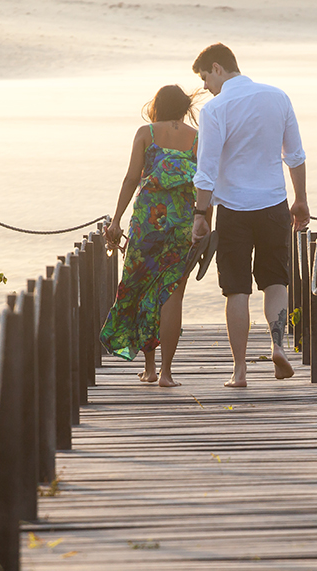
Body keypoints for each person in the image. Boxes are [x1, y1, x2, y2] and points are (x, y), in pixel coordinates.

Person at [189, 43, 309, 388]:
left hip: (233, 210)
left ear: (217, 68)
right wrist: (300, 199)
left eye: (205, 77)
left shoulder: (216, 109)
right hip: (273, 205)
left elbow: (206, 169)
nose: (206, 86)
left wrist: (201, 213)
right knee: (276, 281)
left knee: (236, 290)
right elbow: (295, 155)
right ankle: (277, 346)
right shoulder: (277, 97)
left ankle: (239, 371)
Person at [101, 85, 199, 388]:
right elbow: (206, 182)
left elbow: (132, 178)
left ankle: (150, 367)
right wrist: (204, 222)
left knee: (142, 289)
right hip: (183, 223)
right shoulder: (197, 137)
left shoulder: (146, 133)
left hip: (148, 223)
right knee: (172, 294)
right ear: (183, 107)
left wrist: (116, 219)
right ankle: (168, 374)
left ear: (156, 106)